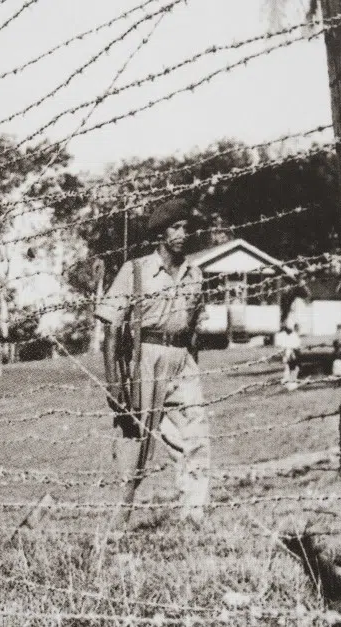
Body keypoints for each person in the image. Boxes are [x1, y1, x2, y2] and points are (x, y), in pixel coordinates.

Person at [96, 198, 209, 526]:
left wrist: (192, 366)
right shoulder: (136, 271)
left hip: (182, 360)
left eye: (187, 227)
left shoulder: (194, 274)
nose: (182, 234)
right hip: (145, 357)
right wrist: (114, 383)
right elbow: (111, 328)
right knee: (138, 444)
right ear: (161, 233)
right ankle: (118, 524)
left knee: (196, 435)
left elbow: (192, 329)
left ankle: (194, 517)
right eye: (175, 227)